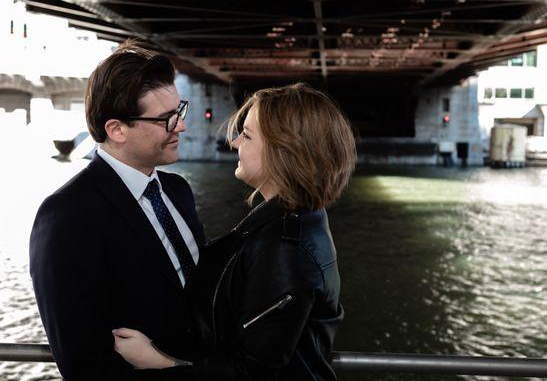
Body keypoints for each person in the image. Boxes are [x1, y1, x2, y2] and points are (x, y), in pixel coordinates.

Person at [113, 83, 357, 380]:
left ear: (285, 150)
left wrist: (157, 361)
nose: (235, 142)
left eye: (248, 134)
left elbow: (252, 373)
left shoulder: (285, 248)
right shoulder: (293, 221)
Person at [29, 40, 205, 380]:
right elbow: (83, 363)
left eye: (179, 111)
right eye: (167, 119)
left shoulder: (178, 191)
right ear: (117, 129)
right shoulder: (66, 216)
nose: (181, 126)